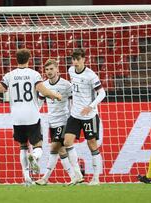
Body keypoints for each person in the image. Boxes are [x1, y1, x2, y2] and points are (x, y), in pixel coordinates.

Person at [0, 49, 62, 186]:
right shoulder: (34, 74)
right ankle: (34, 157)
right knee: (38, 145)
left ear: (16, 59)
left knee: (23, 146)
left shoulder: (9, 75)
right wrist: (55, 95)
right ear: (29, 59)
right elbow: (43, 91)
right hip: (32, 115)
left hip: (17, 117)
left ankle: (27, 178)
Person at [63, 48, 106, 185]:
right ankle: (77, 175)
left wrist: (91, 106)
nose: (75, 62)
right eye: (73, 59)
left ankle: (96, 178)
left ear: (84, 60)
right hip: (75, 114)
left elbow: (102, 94)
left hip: (89, 116)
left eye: (78, 59)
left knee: (92, 144)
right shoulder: (70, 71)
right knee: (67, 142)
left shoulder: (91, 75)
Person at [35, 59, 76, 186]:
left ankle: (46, 178)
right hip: (51, 122)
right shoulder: (44, 85)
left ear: (57, 69)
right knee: (58, 151)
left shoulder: (66, 85)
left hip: (63, 121)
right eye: (47, 70)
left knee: (55, 148)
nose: (49, 72)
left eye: (51, 69)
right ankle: (75, 177)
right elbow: (39, 103)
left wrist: (72, 118)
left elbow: (73, 103)